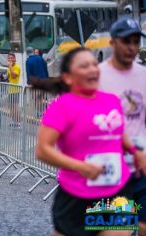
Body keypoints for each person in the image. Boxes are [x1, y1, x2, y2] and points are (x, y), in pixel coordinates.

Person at [36, 47, 146, 236]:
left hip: (116, 191)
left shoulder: (111, 100)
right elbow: (43, 150)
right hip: (75, 195)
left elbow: (117, 133)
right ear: (68, 77)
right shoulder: (62, 107)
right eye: (84, 66)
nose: (93, 69)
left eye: (94, 65)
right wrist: (80, 167)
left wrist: (136, 152)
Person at [99, 17, 146, 236]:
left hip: (142, 166)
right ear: (112, 43)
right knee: (117, 230)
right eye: (126, 41)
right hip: (111, 170)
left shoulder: (144, 75)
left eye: (136, 42)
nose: (132, 47)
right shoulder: (97, 76)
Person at [6, 52, 21, 128]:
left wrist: (10, 68)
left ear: (14, 59)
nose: (10, 59)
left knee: (15, 107)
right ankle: (13, 121)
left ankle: (18, 122)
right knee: (11, 107)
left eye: (11, 58)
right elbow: (8, 78)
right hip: (10, 90)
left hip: (15, 90)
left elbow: (14, 76)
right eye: (9, 58)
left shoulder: (16, 67)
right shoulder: (9, 67)